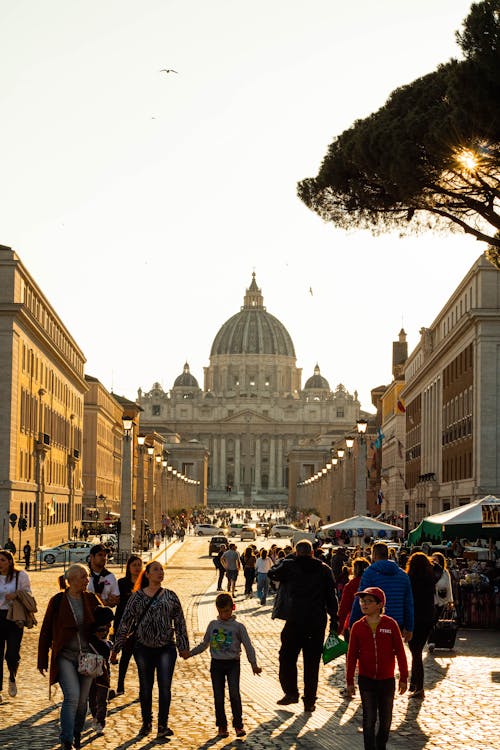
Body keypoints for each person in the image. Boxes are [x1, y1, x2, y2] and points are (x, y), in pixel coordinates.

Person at [111, 561, 189, 740]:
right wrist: (116, 648)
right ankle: (146, 722)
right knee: (146, 687)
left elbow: (180, 623)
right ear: (147, 574)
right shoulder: (136, 597)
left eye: (161, 569)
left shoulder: (170, 596)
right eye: (156, 570)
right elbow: (125, 623)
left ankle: (163, 725)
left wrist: (183, 647)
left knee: (165, 687)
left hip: (166, 648)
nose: (160, 572)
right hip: (143, 648)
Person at [268, 539, 338, 713]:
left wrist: (289, 558)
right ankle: (309, 701)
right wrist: (334, 619)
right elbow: (332, 596)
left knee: (287, 658)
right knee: (312, 663)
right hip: (316, 621)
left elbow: (272, 572)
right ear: (313, 553)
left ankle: (291, 692)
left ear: (297, 552)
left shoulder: (290, 566)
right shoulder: (324, 569)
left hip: (295, 619)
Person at [37, 563, 102, 750]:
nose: (86, 580)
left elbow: (103, 625)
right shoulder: (57, 601)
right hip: (65, 656)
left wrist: (104, 628)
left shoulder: (91, 599)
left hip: (88, 658)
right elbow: (46, 630)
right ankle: (66, 739)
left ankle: (76, 733)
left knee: (82, 702)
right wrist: (42, 659)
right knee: (72, 697)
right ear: (71, 580)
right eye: (83, 577)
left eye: (87, 576)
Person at [187, 592, 262, 738]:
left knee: (234, 694)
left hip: (233, 664)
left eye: (226, 611)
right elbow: (204, 644)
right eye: (221, 612)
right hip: (216, 664)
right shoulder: (213, 625)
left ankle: (238, 725)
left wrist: (254, 664)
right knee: (218, 696)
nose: (224, 614)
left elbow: (248, 646)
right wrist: (190, 653)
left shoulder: (238, 627)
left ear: (232, 608)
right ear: (217, 610)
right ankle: (222, 725)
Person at [346, 587, 408, 750]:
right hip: (366, 679)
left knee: (386, 719)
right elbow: (352, 656)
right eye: (362, 601)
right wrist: (349, 681)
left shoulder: (391, 624)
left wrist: (403, 677)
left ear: (380, 604)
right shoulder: (358, 627)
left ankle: (381, 746)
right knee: (369, 718)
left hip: (387, 679)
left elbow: (400, 652)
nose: (364, 605)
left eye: (368, 601)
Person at [349, 541, 414, 642]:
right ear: (387, 555)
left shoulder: (369, 573)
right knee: (390, 654)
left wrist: (353, 623)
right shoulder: (403, 575)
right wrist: (409, 627)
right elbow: (408, 603)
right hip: (397, 623)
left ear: (374, 555)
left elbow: (360, 599)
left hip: (374, 622)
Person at [0, 549, 32, 702]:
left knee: (12, 653)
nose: (0, 563)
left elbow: (28, 594)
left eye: (2, 560)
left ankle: (12, 676)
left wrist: (16, 594)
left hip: (14, 617)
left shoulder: (21, 576)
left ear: (10, 561)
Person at [405, 552, 435, 698]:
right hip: (428, 618)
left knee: (415, 653)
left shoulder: (410, 579)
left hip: (414, 619)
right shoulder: (431, 579)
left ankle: (419, 688)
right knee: (416, 651)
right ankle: (414, 683)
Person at [113, 554, 144, 695]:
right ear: (129, 567)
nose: (137, 568)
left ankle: (143, 688)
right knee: (125, 657)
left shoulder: (146, 584)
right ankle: (120, 685)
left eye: (139, 565)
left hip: (141, 627)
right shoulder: (122, 583)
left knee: (142, 660)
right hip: (125, 626)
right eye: (134, 565)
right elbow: (118, 606)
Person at [88, 605, 114, 735]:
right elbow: (104, 650)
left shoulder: (92, 634)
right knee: (98, 697)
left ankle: (98, 720)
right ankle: (98, 720)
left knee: (96, 697)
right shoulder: (95, 634)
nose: (106, 630)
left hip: (97, 670)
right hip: (99, 670)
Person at [431, 551, 454, 622]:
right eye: (432, 559)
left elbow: (448, 586)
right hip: (432, 599)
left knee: (437, 618)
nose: (433, 561)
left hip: (442, 599)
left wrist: (450, 601)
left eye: (435, 559)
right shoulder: (429, 571)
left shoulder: (445, 572)